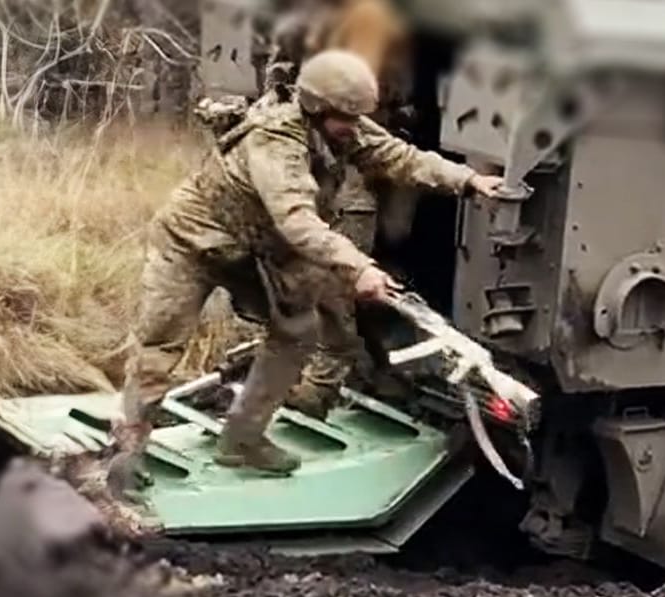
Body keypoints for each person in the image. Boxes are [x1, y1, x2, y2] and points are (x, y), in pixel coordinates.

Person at [107, 49, 502, 488]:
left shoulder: (339, 129)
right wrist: (359, 269)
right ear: (316, 109)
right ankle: (128, 451)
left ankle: (242, 439)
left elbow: (398, 156)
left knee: (297, 329)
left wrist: (468, 180)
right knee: (160, 346)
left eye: (356, 119)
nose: (354, 129)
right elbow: (297, 221)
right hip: (192, 243)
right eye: (345, 119)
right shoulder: (274, 139)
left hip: (254, 247)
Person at [261, 0, 417, 418]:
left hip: (366, 154)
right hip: (337, 162)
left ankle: (353, 371)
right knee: (333, 274)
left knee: (354, 269)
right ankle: (335, 375)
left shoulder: (368, 21)